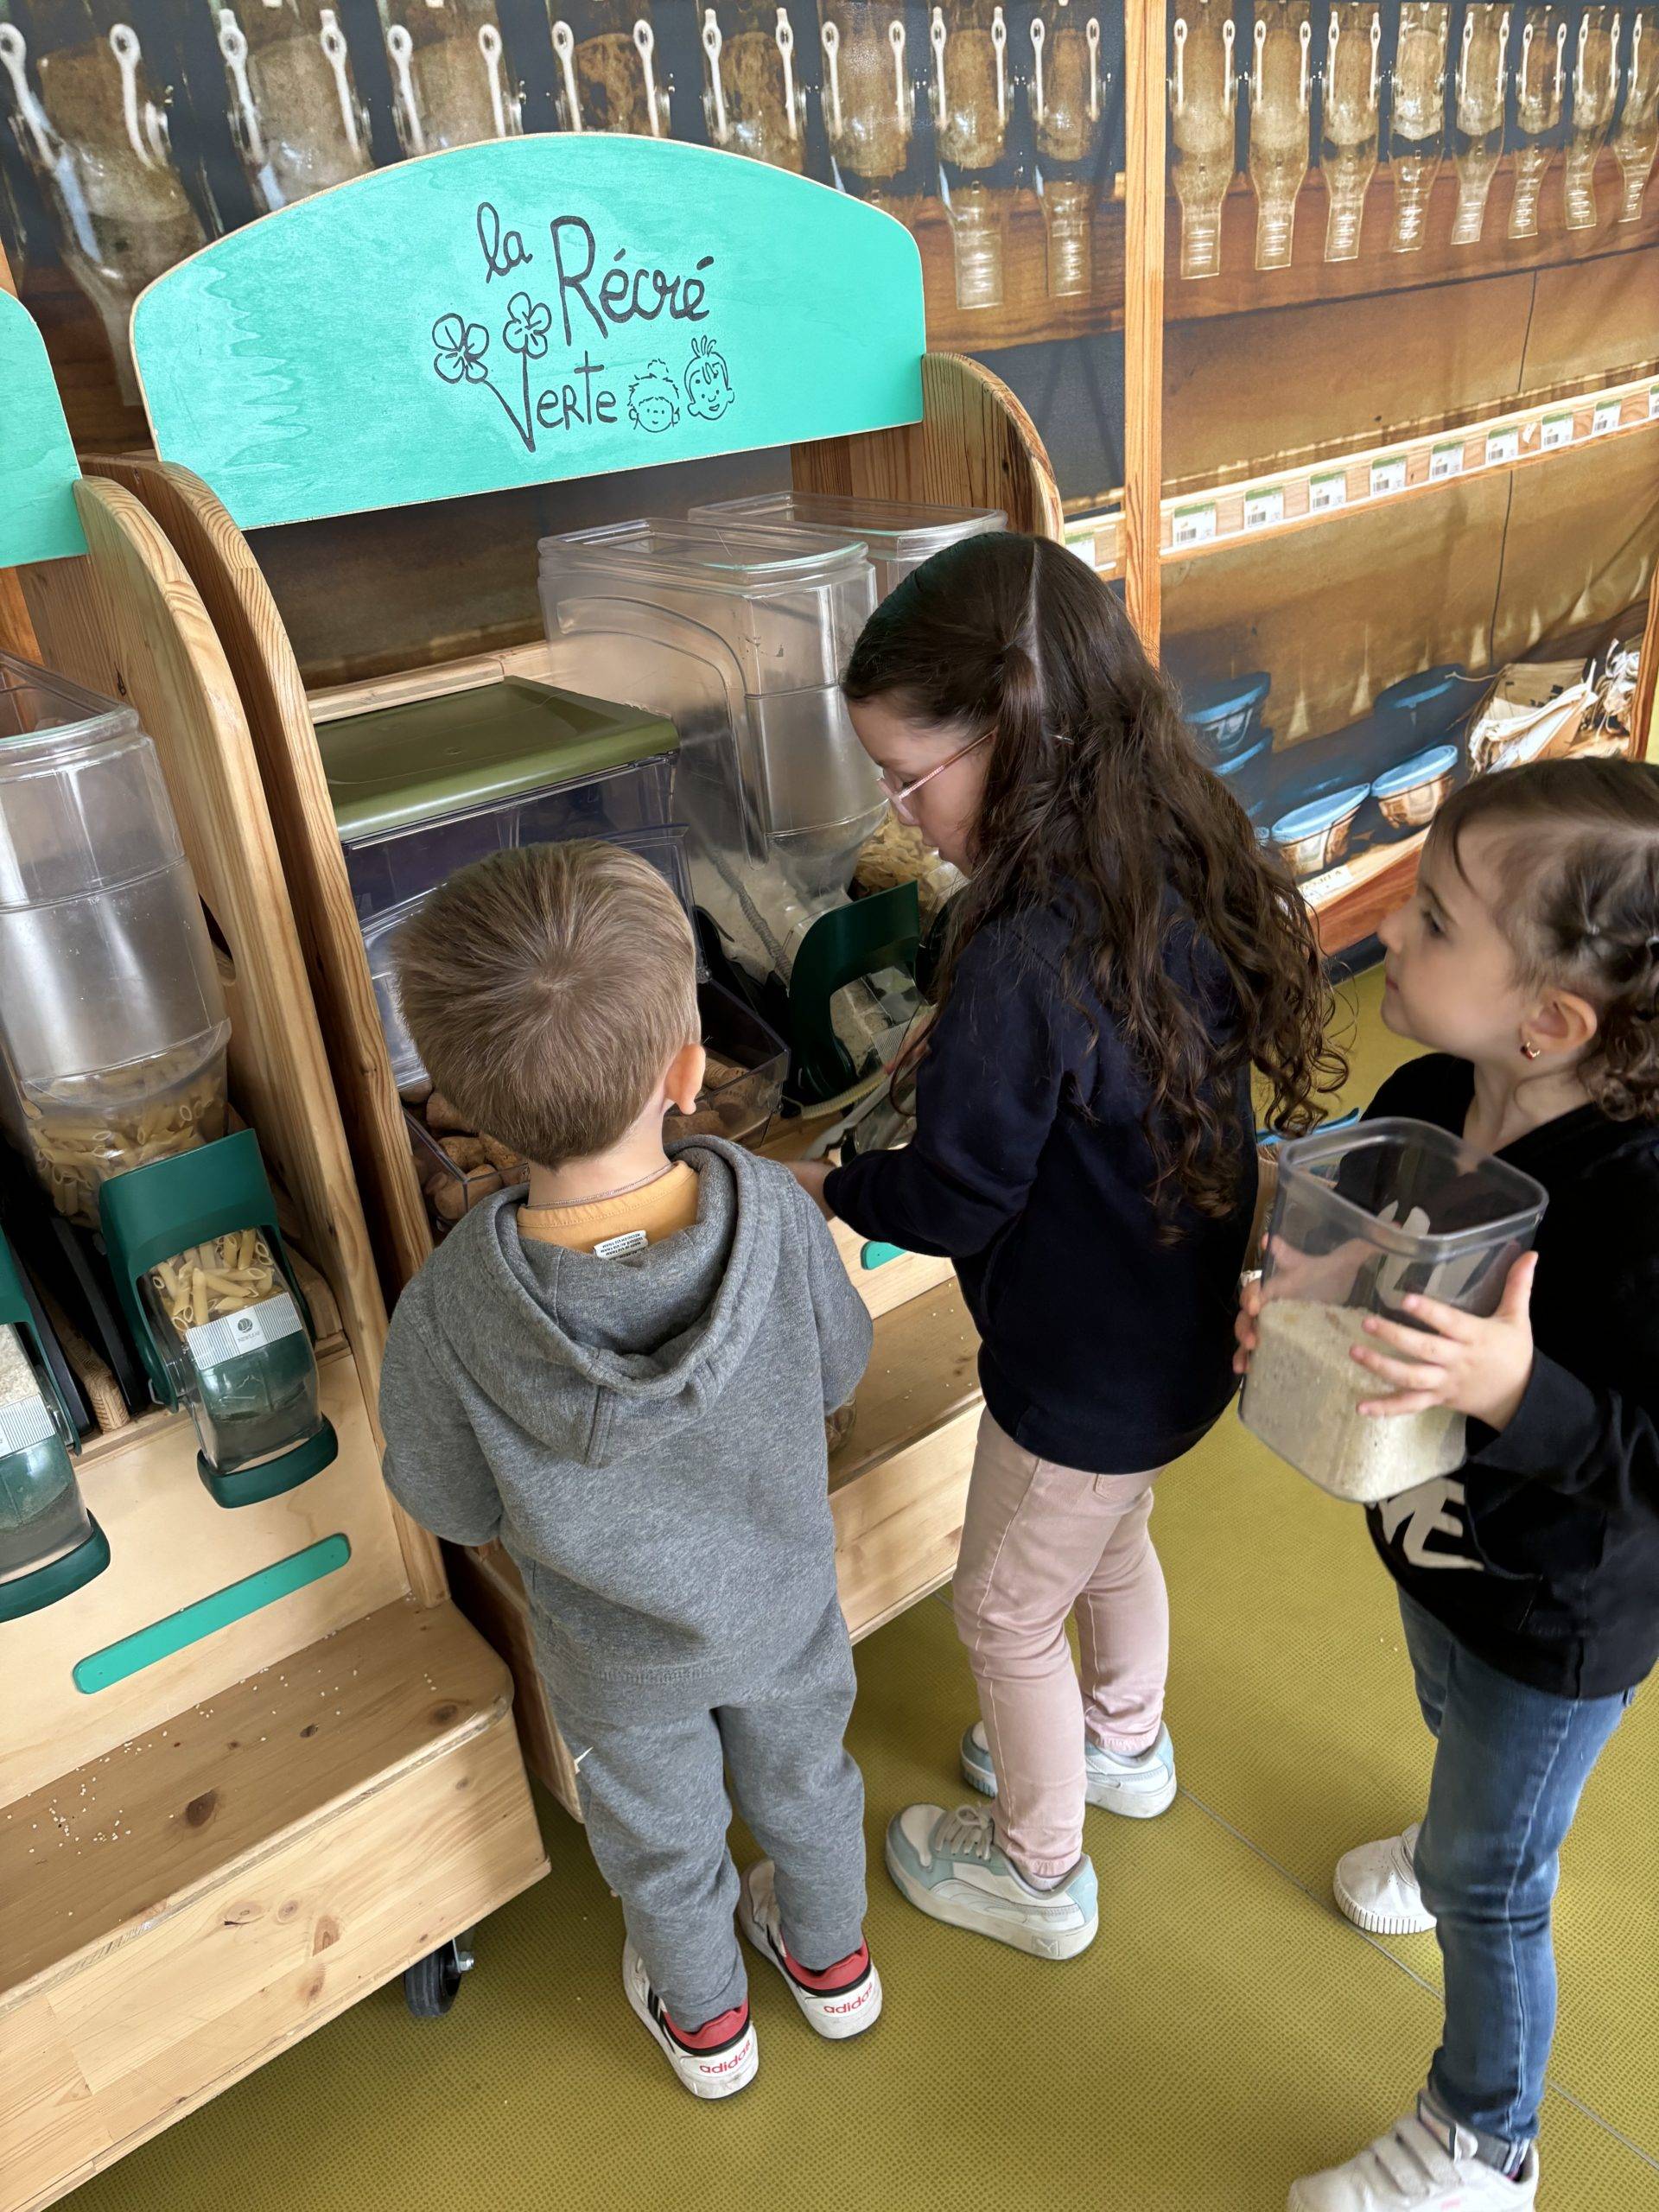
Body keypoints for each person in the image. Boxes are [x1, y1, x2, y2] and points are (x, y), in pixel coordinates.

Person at [792, 531, 1339, 1958]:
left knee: (1001, 1610)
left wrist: (840, 1189)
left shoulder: (1029, 954)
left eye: (913, 779)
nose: (906, 818)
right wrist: (959, 1027)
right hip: (1175, 1337)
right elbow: (1080, 1061)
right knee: (1111, 1543)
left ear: (1025, 733)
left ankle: (1039, 1873)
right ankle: (1125, 1744)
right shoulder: (1170, 847)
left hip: (1077, 1371)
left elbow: (961, 1196)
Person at [378, 840, 879, 2101]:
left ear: (464, 1106)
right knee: (810, 1782)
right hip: (780, 1606)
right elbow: (841, 1366)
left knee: (660, 1840)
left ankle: (706, 2024)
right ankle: (832, 1967)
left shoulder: (446, 1314)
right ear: (691, 1070)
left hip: (610, 1659)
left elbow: (443, 1498)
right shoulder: (773, 1212)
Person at [1237, 759, 1659, 2212]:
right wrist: (1317, 1280)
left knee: (1498, 1884)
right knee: (1441, 1707)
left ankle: (1488, 2136)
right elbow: (1388, 1238)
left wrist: (1507, 1391)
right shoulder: (1429, 1094)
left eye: (1427, 922)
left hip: (1559, 1616)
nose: (1390, 940)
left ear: (1549, 1020)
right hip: (1437, 1552)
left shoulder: (1639, 1206)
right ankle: (1465, 1827)